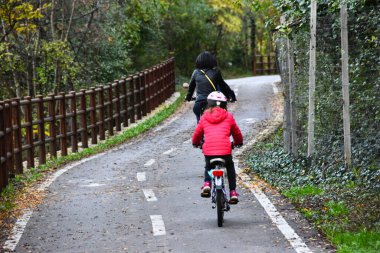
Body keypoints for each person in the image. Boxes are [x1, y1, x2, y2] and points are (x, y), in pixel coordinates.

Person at [192, 91, 243, 204]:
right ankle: (233, 192)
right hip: (225, 150)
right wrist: (238, 142)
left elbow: (197, 133)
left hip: (209, 151)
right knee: (229, 166)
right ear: (224, 104)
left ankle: (207, 184)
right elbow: (237, 133)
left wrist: (196, 143)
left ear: (208, 104)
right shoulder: (228, 116)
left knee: (208, 165)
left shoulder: (204, 117)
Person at [185, 51, 237, 123]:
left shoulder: (195, 72)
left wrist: (188, 97)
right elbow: (223, 86)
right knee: (222, 115)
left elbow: (191, 88)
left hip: (199, 103)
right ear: (212, 61)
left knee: (197, 114)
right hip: (213, 102)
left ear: (198, 61)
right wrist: (230, 96)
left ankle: (199, 126)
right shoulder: (216, 72)